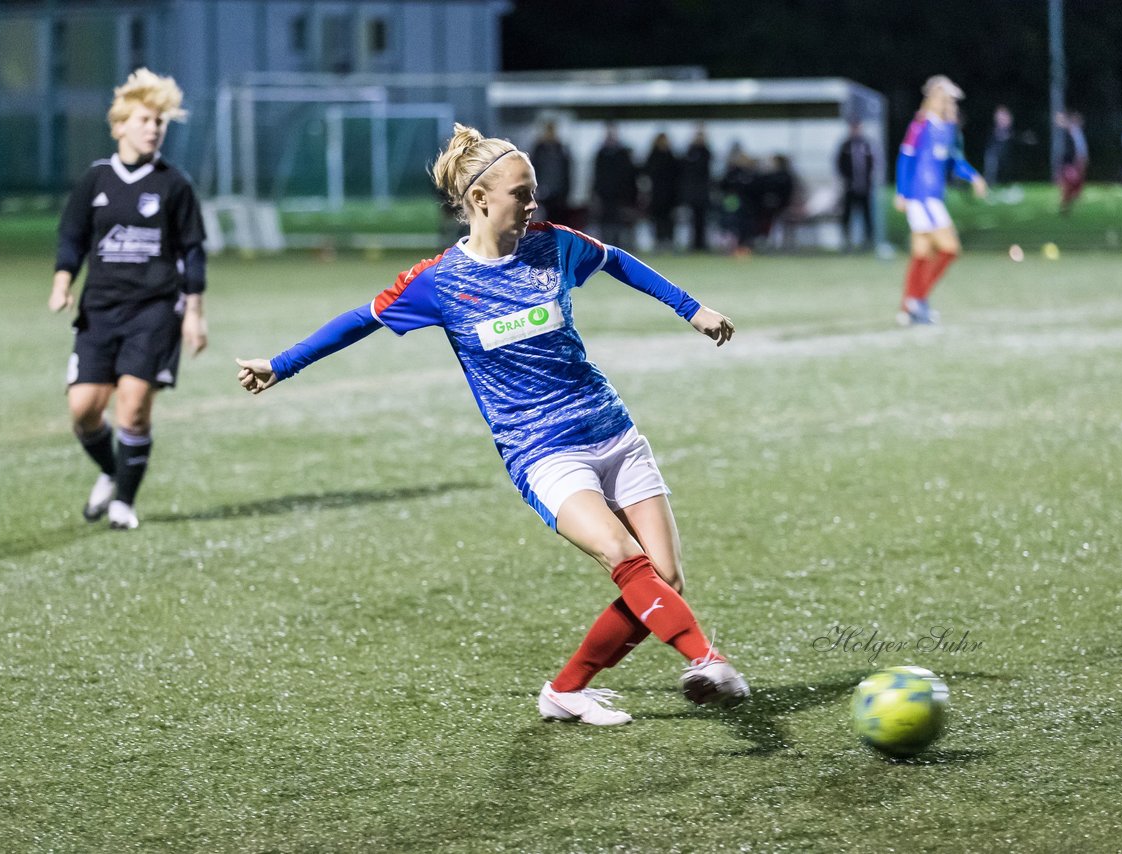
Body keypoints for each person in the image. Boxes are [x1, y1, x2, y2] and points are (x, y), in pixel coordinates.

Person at [235, 123, 748, 726]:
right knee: (620, 554)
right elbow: (359, 320)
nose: (534, 204)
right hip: (540, 449)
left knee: (665, 579)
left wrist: (692, 310)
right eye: (521, 194)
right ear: (479, 200)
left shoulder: (552, 243)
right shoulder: (439, 282)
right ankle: (704, 658)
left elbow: (619, 261)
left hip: (611, 430)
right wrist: (281, 365)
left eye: (533, 193)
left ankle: (564, 692)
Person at [49, 68, 207, 530]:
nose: (153, 129)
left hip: (155, 309)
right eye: (143, 120)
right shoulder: (96, 180)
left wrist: (193, 314)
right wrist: (62, 282)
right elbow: (72, 237)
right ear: (119, 126)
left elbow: (193, 251)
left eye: (159, 122)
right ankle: (110, 471)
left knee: (133, 407)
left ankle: (125, 503)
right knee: (83, 411)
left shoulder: (174, 184)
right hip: (99, 310)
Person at [893, 75, 988, 325]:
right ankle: (918, 300)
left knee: (921, 253)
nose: (948, 103)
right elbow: (905, 159)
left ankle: (909, 307)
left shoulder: (947, 129)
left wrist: (974, 177)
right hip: (921, 198)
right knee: (950, 249)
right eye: (943, 97)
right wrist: (902, 192)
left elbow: (955, 161)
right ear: (932, 98)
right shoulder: (919, 125)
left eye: (950, 99)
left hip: (934, 197)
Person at [591, 124, 638, 248]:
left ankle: (623, 249)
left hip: (621, 197)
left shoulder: (623, 154)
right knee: (606, 225)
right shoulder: (600, 154)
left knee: (622, 224)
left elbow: (630, 177)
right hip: (605, 196)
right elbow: (596, 176)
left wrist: (631, 197)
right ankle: (607, 248)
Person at [835, 120, 876, 251]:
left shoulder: (866, 144)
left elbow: (873, 163)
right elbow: (839, 165)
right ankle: (846, 242)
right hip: (850, 188)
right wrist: (846, 181)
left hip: (865, 187)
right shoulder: (845, 145)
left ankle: (868, 242)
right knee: (847, 215)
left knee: (867, 215)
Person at [642, 132, 680, 250]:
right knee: (657, 219)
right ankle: (658, 241)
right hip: (656, 193)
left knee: (669, 219)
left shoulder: (671, 156)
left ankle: (669, 241)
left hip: (670, 194)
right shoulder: (653, 156)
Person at [679, 125, 714, 251]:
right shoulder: (690, 151)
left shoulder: (706, 151)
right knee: (692, 220)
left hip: (703, 192)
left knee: (703, 220)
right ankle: (693, 244)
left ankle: (702, 243)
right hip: (693, 192)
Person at [530, 121, 572, 224]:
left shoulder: (561, 149)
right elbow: (533, 169)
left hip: (559, 193)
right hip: (543, 193)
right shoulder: (539, 149)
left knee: (558, 222)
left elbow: (566, 172)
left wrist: (567, 190)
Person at [1056, 110, 1089, 215]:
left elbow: (1077, 148)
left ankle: (1066, 203)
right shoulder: (1067, 132)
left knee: (1073, 182)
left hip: (1070, 161)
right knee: (1069, 182)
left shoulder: (1071, 132)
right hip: (1067, 162)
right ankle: (1064, 205)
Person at [982, 105, 1014, 188]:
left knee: (1003, 170)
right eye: (998, 116)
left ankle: (1003, 184)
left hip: (1003, 153)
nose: (1000, 118)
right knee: (990, 169)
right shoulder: (993, 129)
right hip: (992, 152)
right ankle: (988, 185)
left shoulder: (1008, 130)